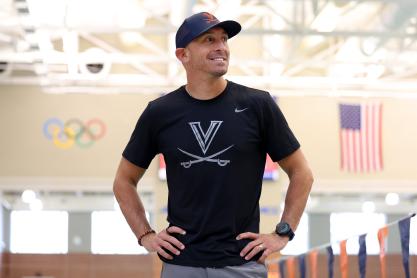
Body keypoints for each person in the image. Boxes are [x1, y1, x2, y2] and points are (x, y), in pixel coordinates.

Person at [113, 11, 313, 278]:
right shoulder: (160, 113)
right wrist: (145, 234)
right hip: (181, 263)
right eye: (209, 40)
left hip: (242, 263)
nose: (221, 47)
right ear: (183, 55)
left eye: (224, 39)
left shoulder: (258, 105)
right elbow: (123, 180)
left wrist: (283, 233)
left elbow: (302, 173)